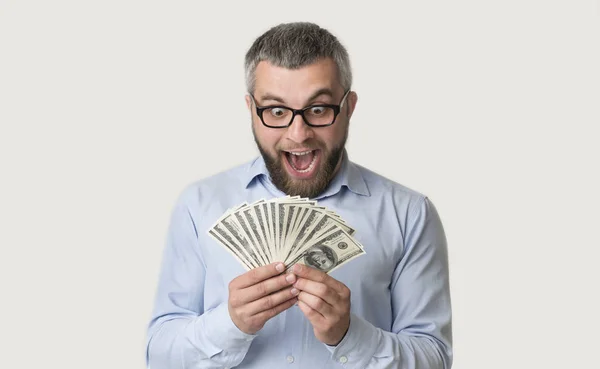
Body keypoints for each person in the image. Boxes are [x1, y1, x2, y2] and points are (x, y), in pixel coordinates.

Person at [146, 22, 452, 369]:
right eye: (276, 111)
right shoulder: (198, 205)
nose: (298, 133)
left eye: (318, 109)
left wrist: (350, 335)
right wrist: (229, 324)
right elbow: (160, 354)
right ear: (251, 110)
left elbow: (434, 359)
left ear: (348, 107)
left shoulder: (410, 214)